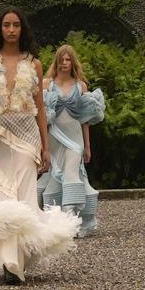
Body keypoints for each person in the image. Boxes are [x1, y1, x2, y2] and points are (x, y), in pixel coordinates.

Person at [0, 9, 83, 283]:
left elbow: (40, 109)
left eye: (15, 25)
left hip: (27, 136)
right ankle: (9, 258)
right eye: (6, 25)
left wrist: (46, 148)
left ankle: (15, 260)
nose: (11, 30)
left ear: (22, 29)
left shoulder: (34, 64)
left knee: (24, 195)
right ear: (0, 29)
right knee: (1, 193)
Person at [39, 45, 104, 238]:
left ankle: (70, 221)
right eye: (61, 59)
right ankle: (53, 222)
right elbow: (41, 117)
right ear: (56, 61)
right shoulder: (46, 84)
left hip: (75, 138)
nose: (64, 63)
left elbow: (85, 119)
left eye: (68, 60)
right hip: (54, 137)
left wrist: (88, 146)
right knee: (53, 177)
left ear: (73, 62)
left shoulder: (80, 86)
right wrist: (42, 146)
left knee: (71, 173)